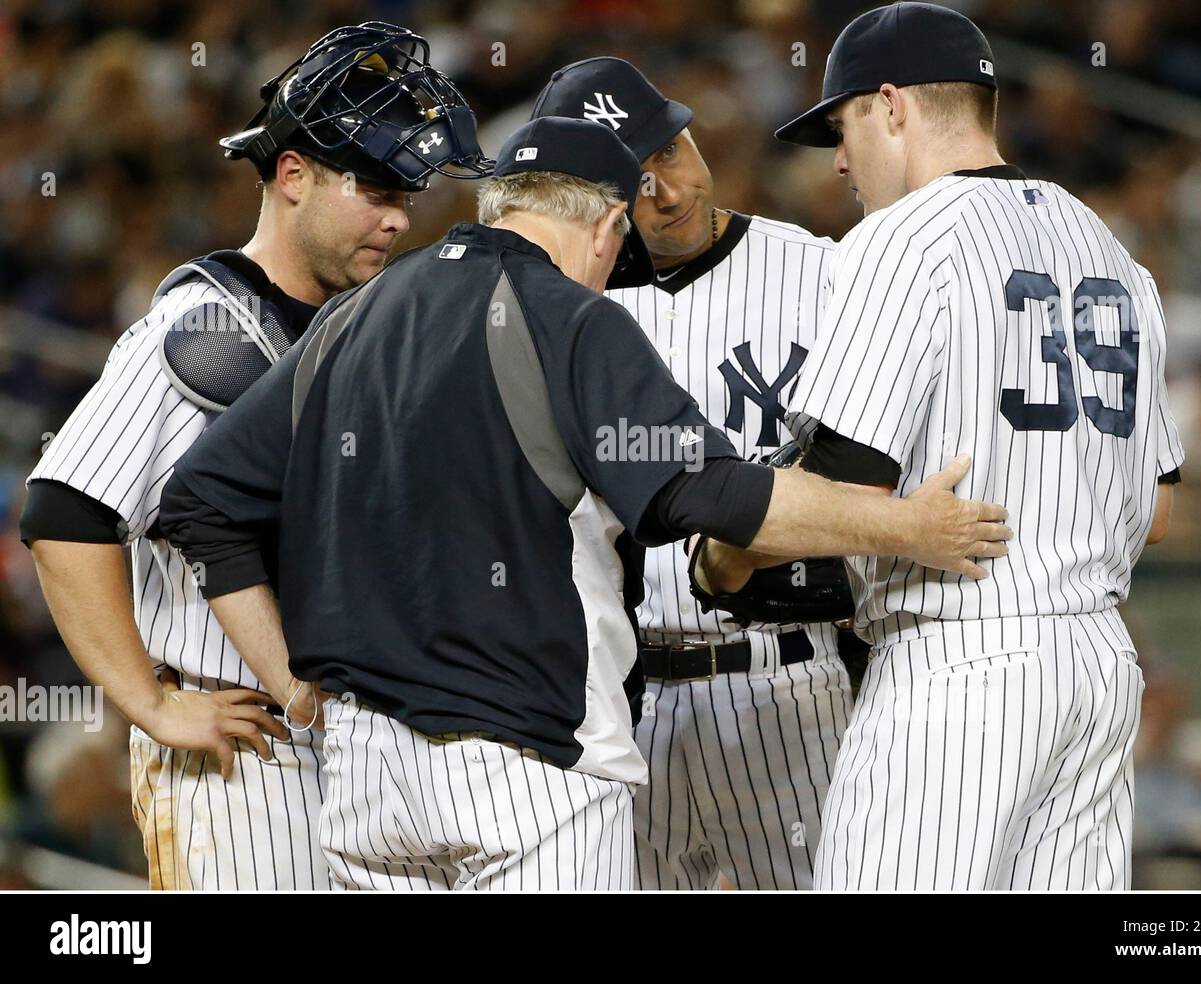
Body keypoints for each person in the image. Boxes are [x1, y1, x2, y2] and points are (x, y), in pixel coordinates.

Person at [154, 115, 1012, 891]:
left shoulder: (352, 317)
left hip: (364, 784)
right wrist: (904, 524)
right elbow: (708, 491)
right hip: (528, 774)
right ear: (604, 223)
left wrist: (298, 691)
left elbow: (199, 501)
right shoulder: (569, 317)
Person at [696, 1, 1185, 891]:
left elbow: (847, 487)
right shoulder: (1111, 246)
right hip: (1101, 668)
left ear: (891, 105)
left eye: (842, 128)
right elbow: (1159, 513)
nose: (838, 160)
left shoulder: (904, 237)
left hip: (961, 664)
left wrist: (722, 558)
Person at [18, 21, 491, 890]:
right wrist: (155, 705)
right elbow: (62, 513)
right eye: (377, 187)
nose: (397, 216)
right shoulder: (201, 329)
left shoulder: (363, 327)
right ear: (294, 175)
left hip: (372, 748)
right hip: (248, 760)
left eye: (407, 194)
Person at [531, 57, 859, 890]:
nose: (666, 191)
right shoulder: (563, 305)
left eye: (670, 154)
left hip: (792, 684)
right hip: (624, 701)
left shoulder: (824, 273)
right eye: (633, 181)